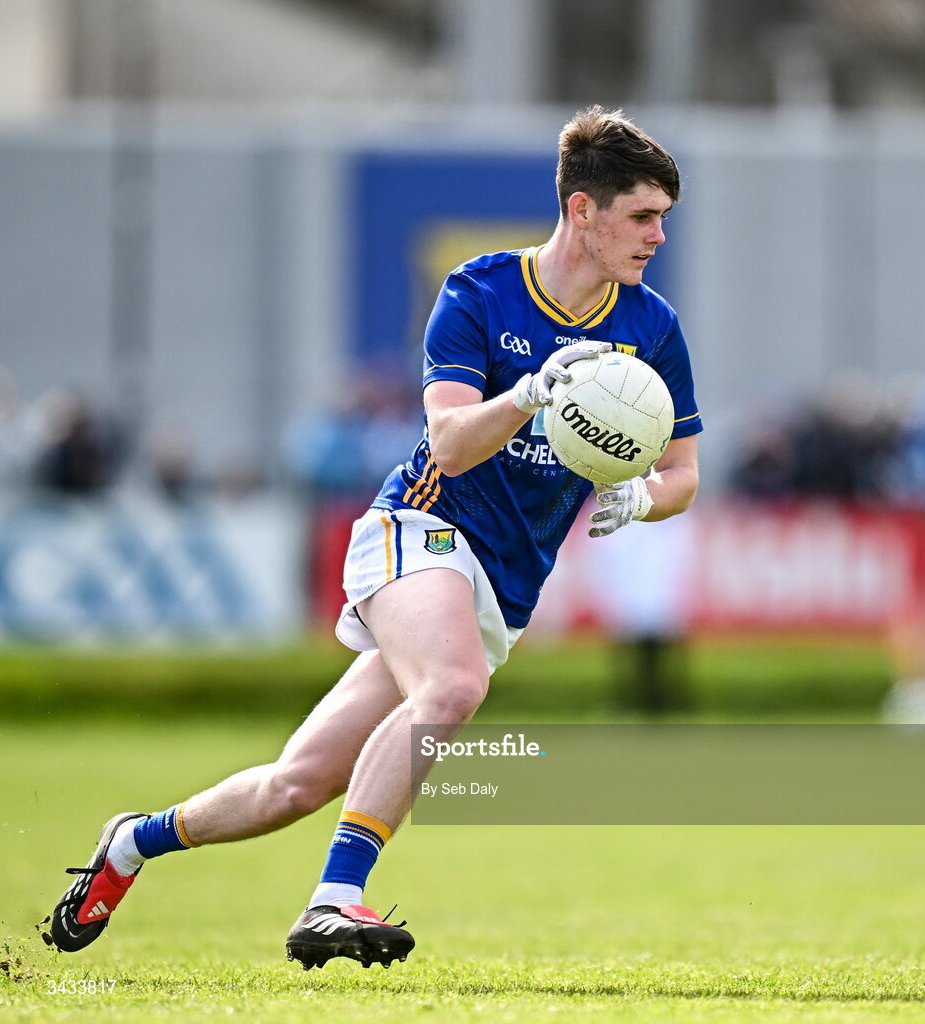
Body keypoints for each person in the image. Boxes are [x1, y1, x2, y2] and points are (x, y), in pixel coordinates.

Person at [49, 105, 702, 970]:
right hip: (419, 527)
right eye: (644, 215)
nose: (658, 235)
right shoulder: (481, 292)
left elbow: (685, 472)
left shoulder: (650, 325)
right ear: (583, 210)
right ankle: (332, 901)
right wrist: (532, 393)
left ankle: (132, 843)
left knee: (297, 784)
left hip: (504, 584)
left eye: (664, 217)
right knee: (453, 688)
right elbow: (449, 443)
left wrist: (642, 499)